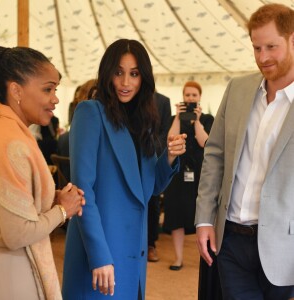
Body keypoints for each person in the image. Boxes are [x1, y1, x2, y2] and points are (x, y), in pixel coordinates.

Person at [62, 38, 187, 300]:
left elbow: (151, 188)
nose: (126, 82)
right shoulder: (89, 112)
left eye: (134, 74)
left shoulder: (143, 121)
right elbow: (83, 192)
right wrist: (99, 255)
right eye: (118, 73)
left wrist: (169, 158)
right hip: (99, 249)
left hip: (133, 252)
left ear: (144, 78)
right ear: (107, 73)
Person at [195, 3, 294, 300]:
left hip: (285, 248)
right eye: (256, 48)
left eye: (271, 47)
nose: (262, 57)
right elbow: (214, 154)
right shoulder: (237, 88)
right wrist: (203, 220)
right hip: (231, 242)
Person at [0, 46, 85, 300]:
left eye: (55, 90)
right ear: (16, 90)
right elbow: (17, 234)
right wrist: (63, 210)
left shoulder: (4, 128)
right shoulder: (12, 143)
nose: (55, 98)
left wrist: (49, 197)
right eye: (48, 89)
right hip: (12, 273)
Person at [163, 81, 214, 271]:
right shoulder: (173, 119)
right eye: (188, 95)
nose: (191, 98)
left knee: (204, 213)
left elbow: (204, 142)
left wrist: (197, 122)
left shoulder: (208, 119)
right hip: (177, 173)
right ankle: (178, 258)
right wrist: (178, 118)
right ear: (183, 97)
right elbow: (170, 139)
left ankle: (206, 258)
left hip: (201, 174)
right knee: (176, 213)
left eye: (194, 95)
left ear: (200, 97)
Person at [147, 92, 172, 262]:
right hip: (131, 155)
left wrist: (154, 147)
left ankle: (151, 244)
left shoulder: (163, 100)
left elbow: (165, 131)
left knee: (153, 201)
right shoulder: (129, 96)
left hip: (153, 155)